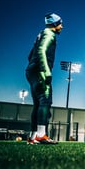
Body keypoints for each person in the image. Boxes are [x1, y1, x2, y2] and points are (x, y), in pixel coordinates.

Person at [25, 13, 63, 145]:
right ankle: (41, 135)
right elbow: (41, 50)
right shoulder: (49, 34)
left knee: (38, 104)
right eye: (60, 24)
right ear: (54, 25)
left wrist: (33, 66)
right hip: (40, 71)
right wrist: (46, 71)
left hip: (32, 70)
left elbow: (30, 55)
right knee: (45, 100)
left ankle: (33, 136)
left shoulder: (41, 34)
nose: (61, 26)